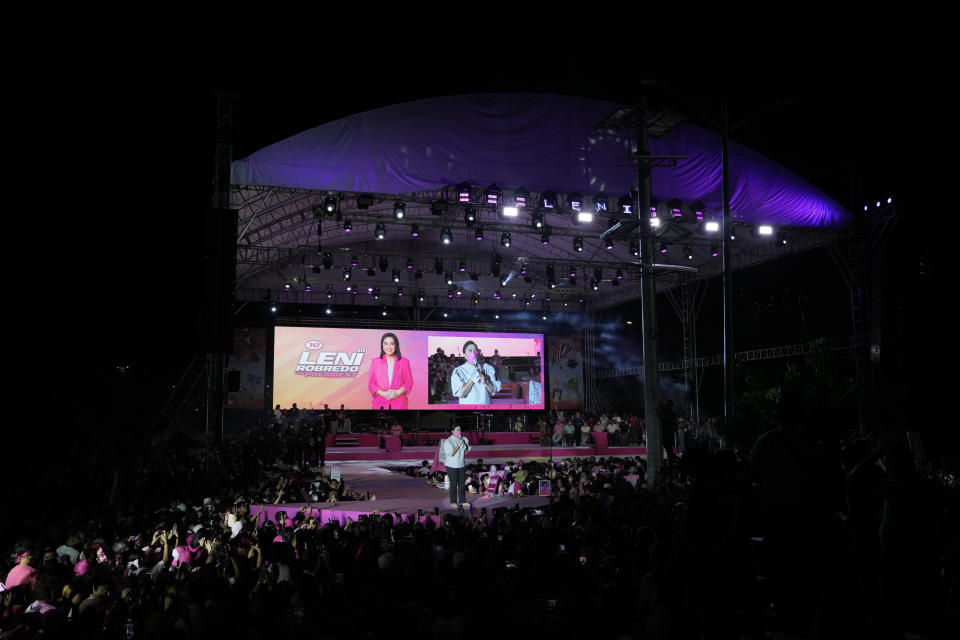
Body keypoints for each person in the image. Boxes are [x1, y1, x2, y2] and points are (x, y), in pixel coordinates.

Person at [368, 333, 414, 410]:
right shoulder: (375, 362)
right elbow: (371, 383)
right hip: (379, 403)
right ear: (382, 346)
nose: (388, 347)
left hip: (400, 403)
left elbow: (409, 382)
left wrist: (397, 392)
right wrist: (382, 393)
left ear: (396, 346)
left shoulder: (404, 362)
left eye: (391, 344)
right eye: (385, 344)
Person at [442, 426, 471, 507]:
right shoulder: (448, 441)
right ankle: (453, 501)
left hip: (461, 464)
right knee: (453, 484)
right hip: (451, 465)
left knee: (462, 483)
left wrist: (465, 448)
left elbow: (467, 451)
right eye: (457, 430)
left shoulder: (464, 439)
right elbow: (452, 453)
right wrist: (458, 445)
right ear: (452, 431)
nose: (459, 432)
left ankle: (463, 500)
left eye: (460, 430)